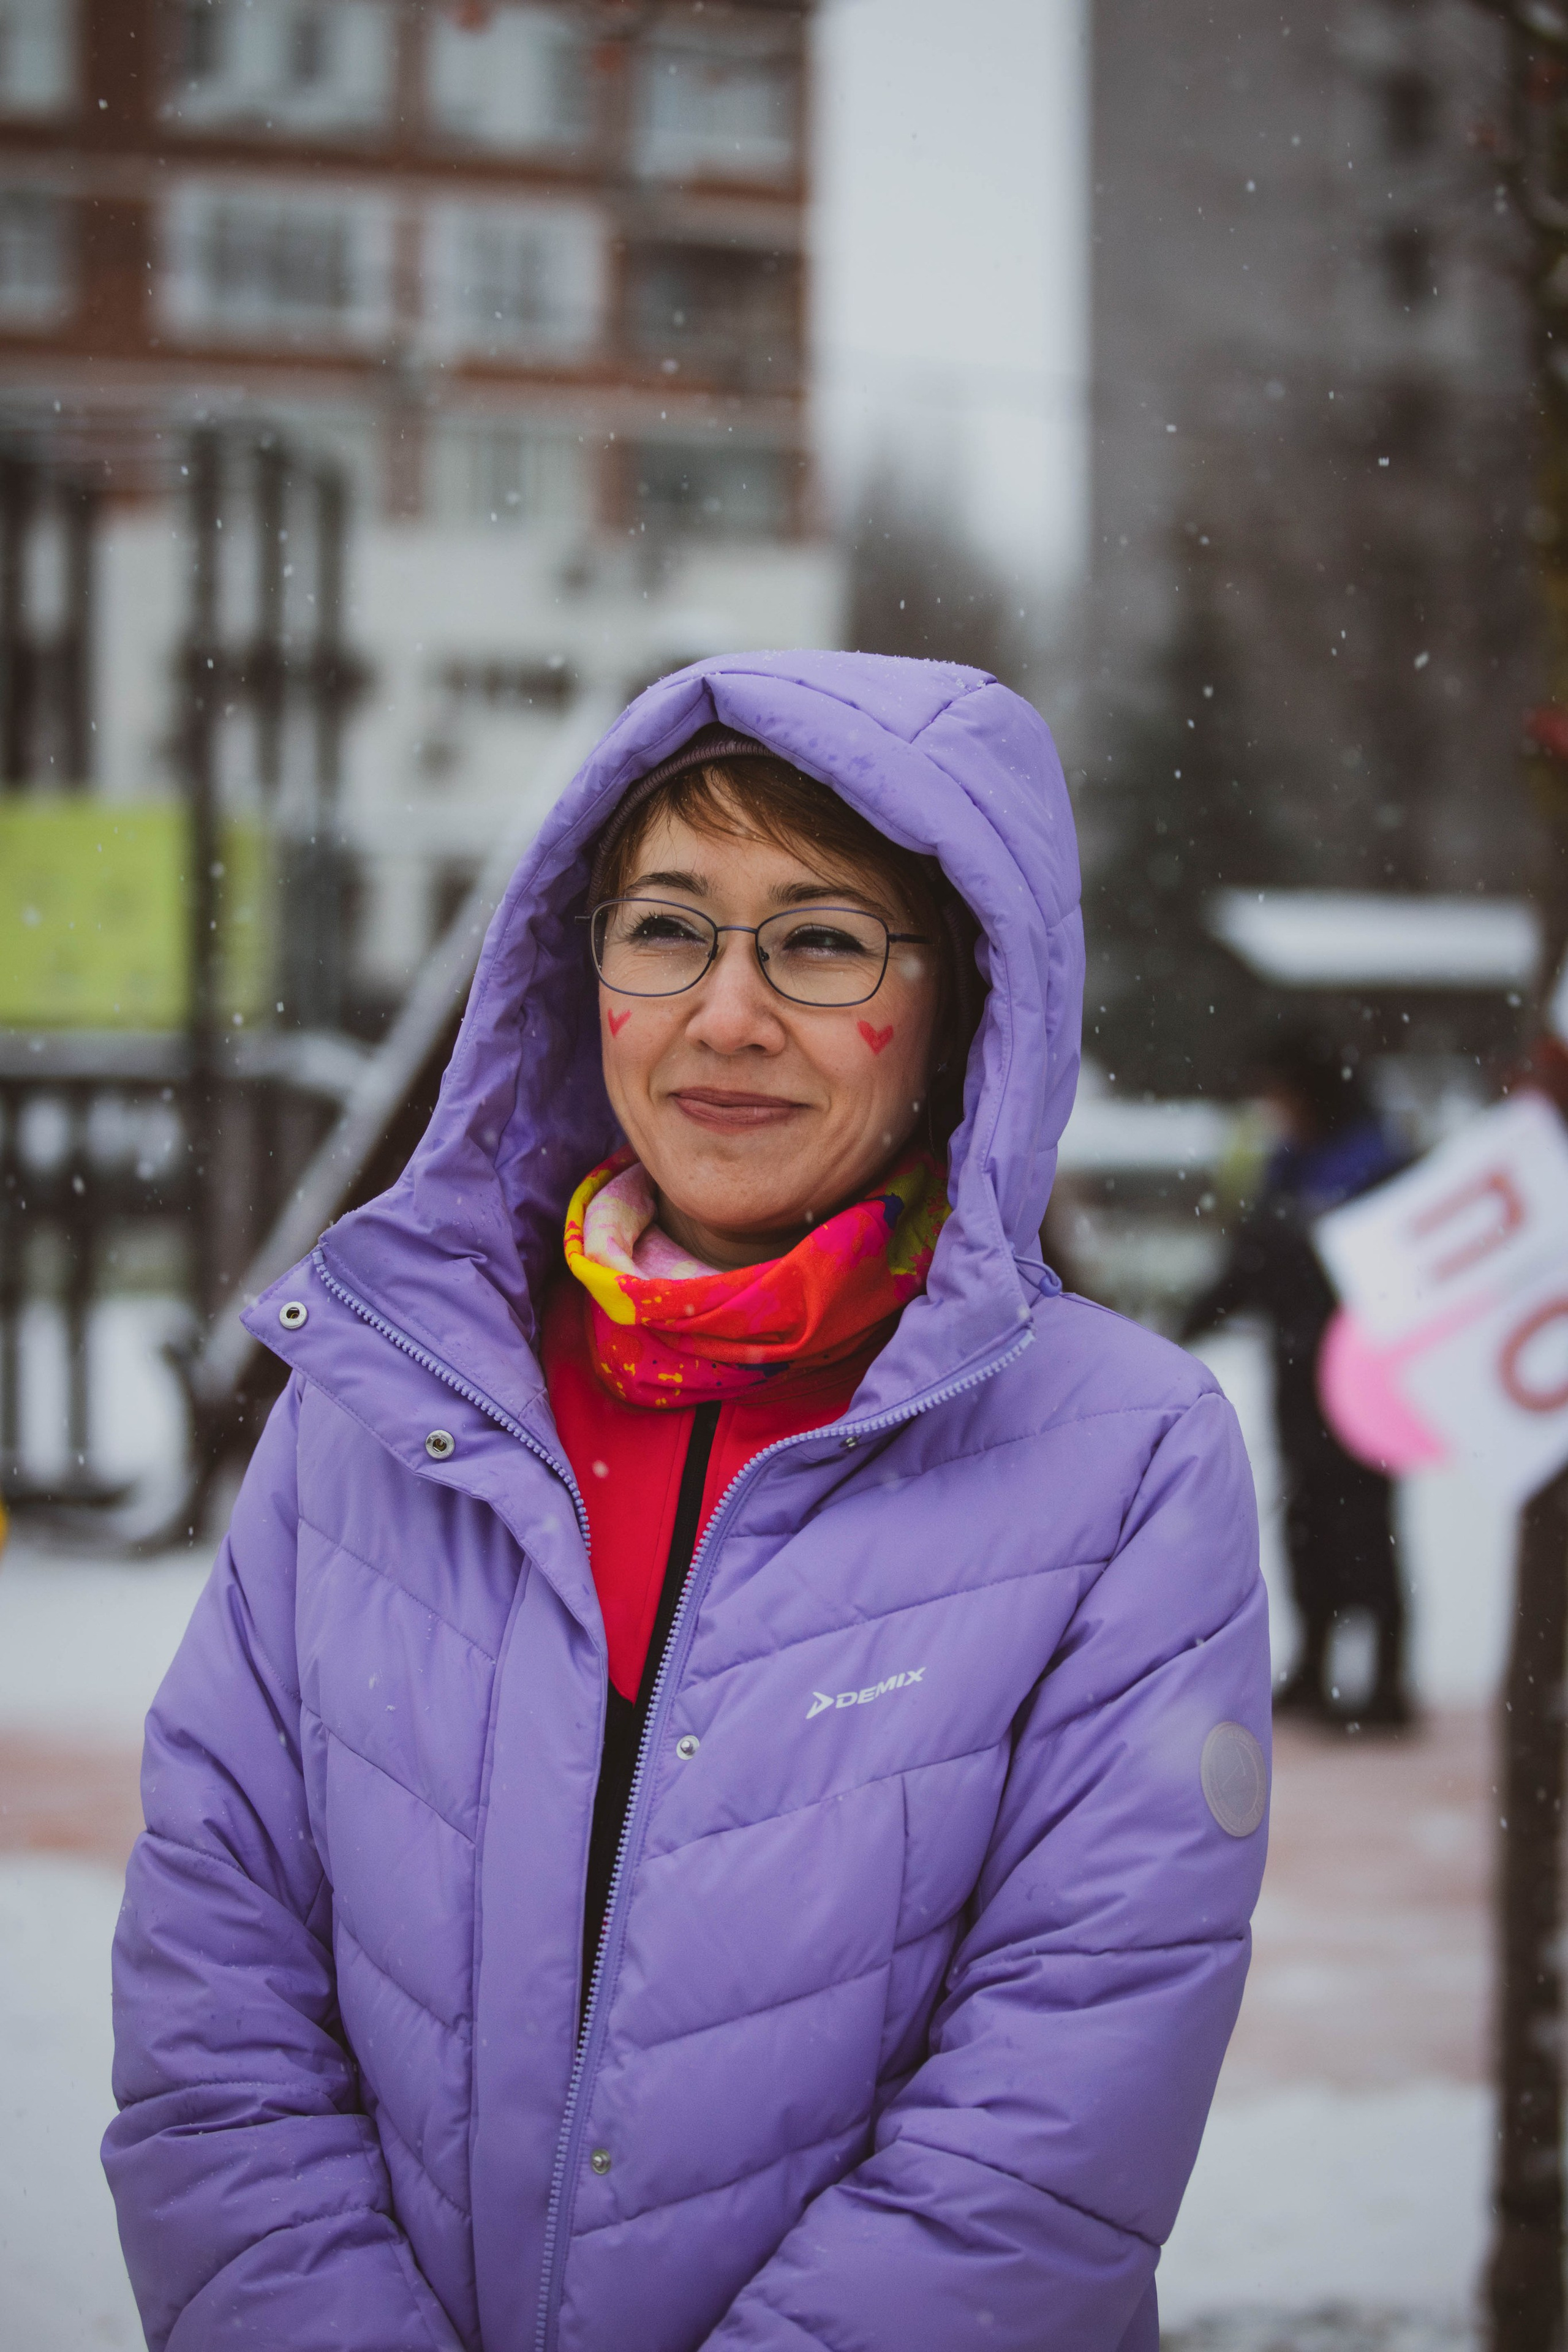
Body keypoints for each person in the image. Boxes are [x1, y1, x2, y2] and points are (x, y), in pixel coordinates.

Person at [104, 653, 1270, 2352]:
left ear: (964, 1000)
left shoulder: (1127, 1462)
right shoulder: (378, 1410)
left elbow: (1052, 2123)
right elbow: (218, 2011)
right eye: (666, 929)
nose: (729, 1016)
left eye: (820, 941)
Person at [1180, 1030, 1409, 1728]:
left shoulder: (1376, 1166)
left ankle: (1386, 1683)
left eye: (1278, 1091)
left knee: (1367, 1527)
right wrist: (1186, 1325)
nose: (1270, 1106)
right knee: (1307, 1524)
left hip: (1368, 1382)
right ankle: (1313, 1666)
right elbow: (1249, 1264)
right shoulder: (1286, 1167)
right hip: (1295, 1373)